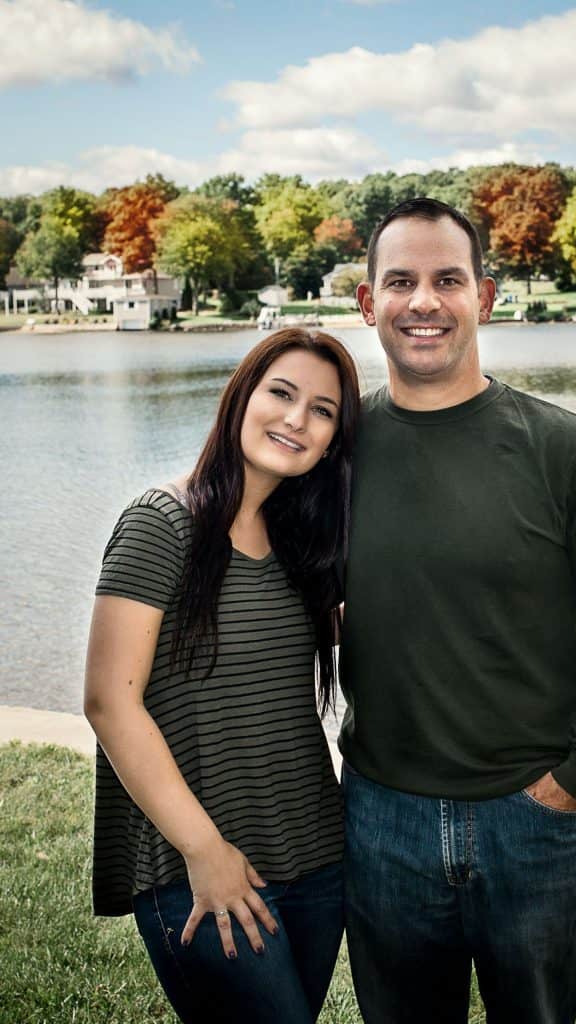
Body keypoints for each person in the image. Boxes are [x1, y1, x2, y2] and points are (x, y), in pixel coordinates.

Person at [338, 198, 576, 1024]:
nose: (423, 302)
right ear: (366, 302)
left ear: (483, 298)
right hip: (383, 820)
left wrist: (575, 780)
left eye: (446, 280)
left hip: (532, 820)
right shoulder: (331, 455)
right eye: (400, 281)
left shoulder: (564, 448)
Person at [85, 328, 360, 1024]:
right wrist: (205, 852)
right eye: (282, 393)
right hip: (199, 867)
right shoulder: (161, 522)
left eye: (323, 410)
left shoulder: (300, 544)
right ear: (241, 397)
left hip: (317, 857)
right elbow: (109, 702)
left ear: (334, 439)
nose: (297, 419)